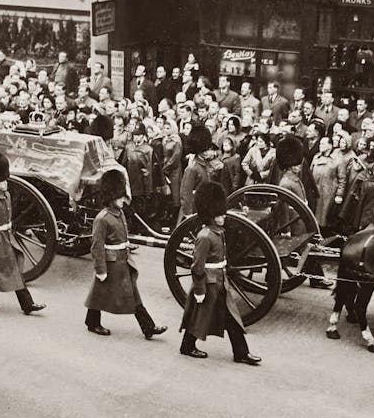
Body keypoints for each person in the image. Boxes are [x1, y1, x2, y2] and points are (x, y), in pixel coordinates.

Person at [179, 182, 261, 365]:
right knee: (199, 315)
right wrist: (199, 291)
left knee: (232, 317)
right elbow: (197, 267)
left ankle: (241, 352)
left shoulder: (217, 232)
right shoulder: (205, 237)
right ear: (210, 214)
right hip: (208, 283)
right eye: (219, 213)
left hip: (219, 281)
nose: (223, 215)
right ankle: (187, 345)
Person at [84, 169, 167, 339]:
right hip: (111, 263)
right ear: (111, 197)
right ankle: (92, 322)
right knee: (99, 294)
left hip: (123, 261)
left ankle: (148, 327)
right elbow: (97, 246)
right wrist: (101, 269)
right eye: (120, 197)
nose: (123, 200)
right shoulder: (102, 218)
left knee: (132, 294)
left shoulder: (119, 213)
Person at [0, 152, 46, 314]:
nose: (5, 183)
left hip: (4, 239)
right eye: (1, 181)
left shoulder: (7, 195)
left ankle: (27, 304)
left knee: (12, 270)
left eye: (5, 179)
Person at [178, 125, 214, 222]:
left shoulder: (204, 165)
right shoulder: (192, 168)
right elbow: (185, 194)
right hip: (193, 210)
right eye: (205, 149)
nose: (207, 152)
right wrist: (188, 215)